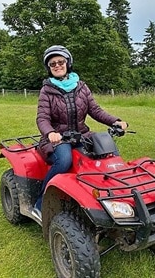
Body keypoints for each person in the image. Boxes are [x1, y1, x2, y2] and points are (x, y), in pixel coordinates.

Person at [32, 45, 128, 222]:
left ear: (68, 63)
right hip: (58, 139)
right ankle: (40, 203)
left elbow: (96, 110)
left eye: (60, 62)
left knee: (109, 152)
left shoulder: (81, 87)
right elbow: (42, 118)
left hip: (82, 135)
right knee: (65, 160)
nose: (57, 66)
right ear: (49, 68)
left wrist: (115, 121)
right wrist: (51, 132)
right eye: (52, 64)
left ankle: (119, 199)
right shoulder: (47, 90)